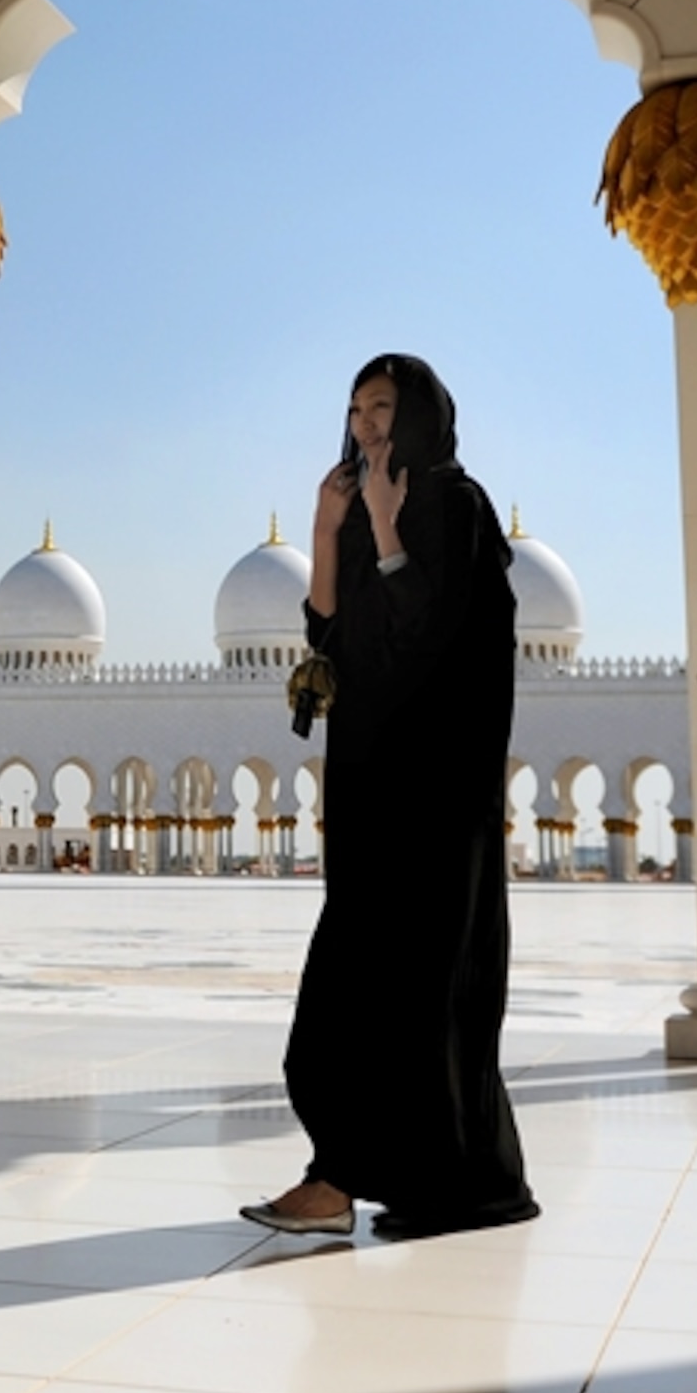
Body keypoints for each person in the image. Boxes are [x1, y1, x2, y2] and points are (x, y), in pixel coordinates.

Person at [243, 354, 538, 1244]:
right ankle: (349, 1177)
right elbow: (332, 633)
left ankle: (376, 1181)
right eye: (356, 408)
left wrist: (385, 522)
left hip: (433, 797)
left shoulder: (455, 504)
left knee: (421, 991)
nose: (367, 423)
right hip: (371, 781)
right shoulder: (367, 503)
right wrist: (331, 531)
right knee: (354, 986)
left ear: (417, 413)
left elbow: (436, 633)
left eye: (382, 406)